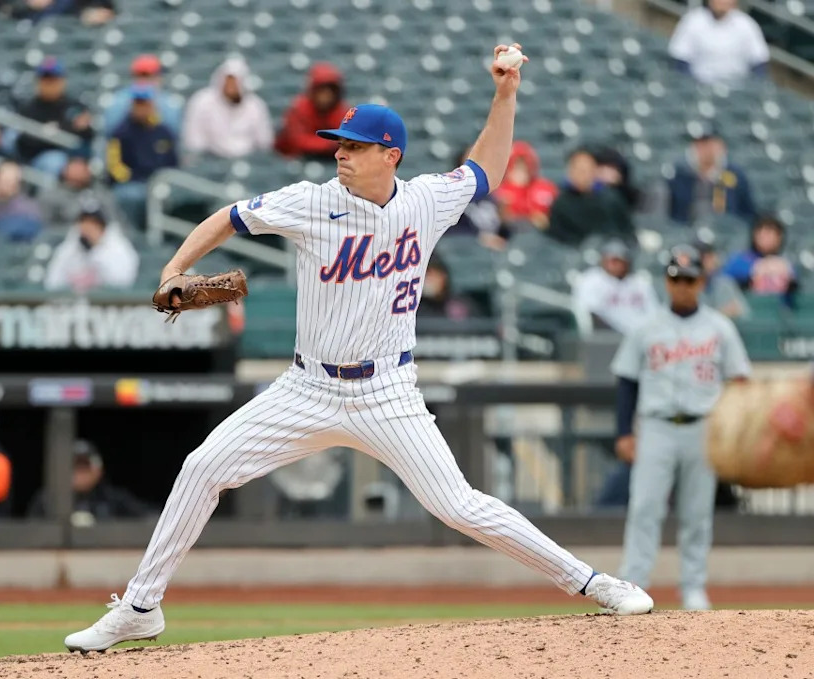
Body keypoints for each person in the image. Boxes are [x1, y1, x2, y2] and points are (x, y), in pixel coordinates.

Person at [65, 42, 654, 655]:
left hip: (387, 393)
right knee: (201, 468)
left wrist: (506, 94)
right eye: (338, 144)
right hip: (307, 388)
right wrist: (173, 267)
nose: (340, 153)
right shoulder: (311, 201)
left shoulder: (426, 200)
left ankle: (592, 582)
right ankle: (140, 605)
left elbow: (488, 167)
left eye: (354, 146)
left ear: (390, 156)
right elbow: (227, 218)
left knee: (459, 505)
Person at [611, 244, 751, 611]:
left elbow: (739, 382)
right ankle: (634, 582)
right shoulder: (646, 326)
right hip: (656, 426)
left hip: (702, 428)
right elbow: (626, 381)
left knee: (697, 513)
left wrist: (732, 433)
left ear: (702, 282)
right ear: (666, 282)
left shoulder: (721, 328)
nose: (683, 286)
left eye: (690, 280)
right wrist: (624, 431)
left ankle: (693, 587)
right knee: (644, 507)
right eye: (676, 279)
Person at [106, 85, 179, 228]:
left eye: (145, 103)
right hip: (133, 182)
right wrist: (137, 179)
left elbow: (173, 162)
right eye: (138, 103)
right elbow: (114, 167)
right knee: (131, 195)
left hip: (161, 181)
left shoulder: (163, 131)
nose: (142, 108)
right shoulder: (121, 133)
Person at [27, 440, 152, 523]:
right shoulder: (46, 500)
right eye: (76, 467)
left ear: (99, 471)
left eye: (86, 466)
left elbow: (148, 518)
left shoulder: (115, 499)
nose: (81, 473)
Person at [11, 57, 93, 178]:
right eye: (45, 79)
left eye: (53, 79)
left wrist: (56, 131)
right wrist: (62, 131)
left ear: (62, 81)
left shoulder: (74, 106)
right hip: (37, 160)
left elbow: (88, 135)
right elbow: (23, 143)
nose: (49, 84)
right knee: (54, 161)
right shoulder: (28, 108)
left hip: (74, 160)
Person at [180, 57, 274, 159]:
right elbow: (193, 140)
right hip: (210, 158)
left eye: (235, 82)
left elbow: (264, 141)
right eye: (228, 81)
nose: (231, 86)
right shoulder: (201, 102)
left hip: (247, 158)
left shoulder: (255, 106)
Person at [667, 125, 756, 226]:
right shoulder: (681, 177)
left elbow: (747, 213)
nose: (705, 150)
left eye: (709, 144)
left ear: (720, 145)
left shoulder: (736, 176)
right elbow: (674, 214)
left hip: (726, 231)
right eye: (699, 144)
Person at [668, 0, 769, 86]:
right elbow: (681, 59)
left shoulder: (746, 24)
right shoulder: (693, 20)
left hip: (737, 89)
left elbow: (759, 61)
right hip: (699, 86)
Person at [546, 147, 634, 247]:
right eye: (576, 169)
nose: (580, 174)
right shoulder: (560, 203)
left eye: (585, 170)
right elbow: (556, 237)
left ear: (595, 171)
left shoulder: (611, 200)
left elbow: (626, 233)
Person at [44, 201, 139, 292]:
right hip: (71, 304)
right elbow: (52, 283)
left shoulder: (119, 248)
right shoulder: (68, 248)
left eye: (93, 223)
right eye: (84, 222)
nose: (88, 227)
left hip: (107, 305)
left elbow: (123, 283)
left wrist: (95, 250)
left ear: (102, 226)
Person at [572, 239, 659, 335]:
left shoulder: (640, 283)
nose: (615, 265)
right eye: (612, 260)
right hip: (605, 337)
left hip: (641, 337)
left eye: (619, 260)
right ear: (603, 260)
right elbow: (590, 314)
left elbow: (654, 313)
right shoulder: (590, 280)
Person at [274, 62, 349, 159]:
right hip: (296, 160)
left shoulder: (342, 111)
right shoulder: (299, 108)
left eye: (330, 90)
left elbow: (346, 141)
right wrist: (330, 144)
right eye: (321, 90)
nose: (326, 95)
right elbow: (299, 142)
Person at [723, 215, 797, 303]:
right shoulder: (741, 260)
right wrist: (755, 269)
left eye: (769, 232)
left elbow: (793, 288)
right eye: (760, 232)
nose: (763, 237)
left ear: (779, 237)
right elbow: (723, 278)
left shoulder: (785, 263)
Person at [102, 54, 181, 137]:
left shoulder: (168, 103)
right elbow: (111, 134)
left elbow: (173, 135)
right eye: (141, 75)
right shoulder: (119, 101)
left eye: (149, 75)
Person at [38, 154, 121, 228]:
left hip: (106, 239)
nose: (78, 171)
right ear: (65, 170)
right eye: (75, 166)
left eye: (82, 166)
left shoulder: (102, 194)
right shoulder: (52, 196)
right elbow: (47, 227)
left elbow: (116, 221)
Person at [494, 140, 558, 231]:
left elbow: (546, 221)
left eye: (525, 165)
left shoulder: (545, 187)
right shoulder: (500, 190)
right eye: (516, 165)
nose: (521, 170)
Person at [694, 241, 748, 319]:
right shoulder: (684, 284)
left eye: (709, 256)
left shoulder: (725, 283)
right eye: (701, 257)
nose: (705, 261)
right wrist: (720, 313)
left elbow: (743, 314)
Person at [416, 256, 480, 320]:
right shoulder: (413, 307)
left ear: (443, 276)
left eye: (431, 274)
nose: (427, 280)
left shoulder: (461, 302)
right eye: (425, 274)